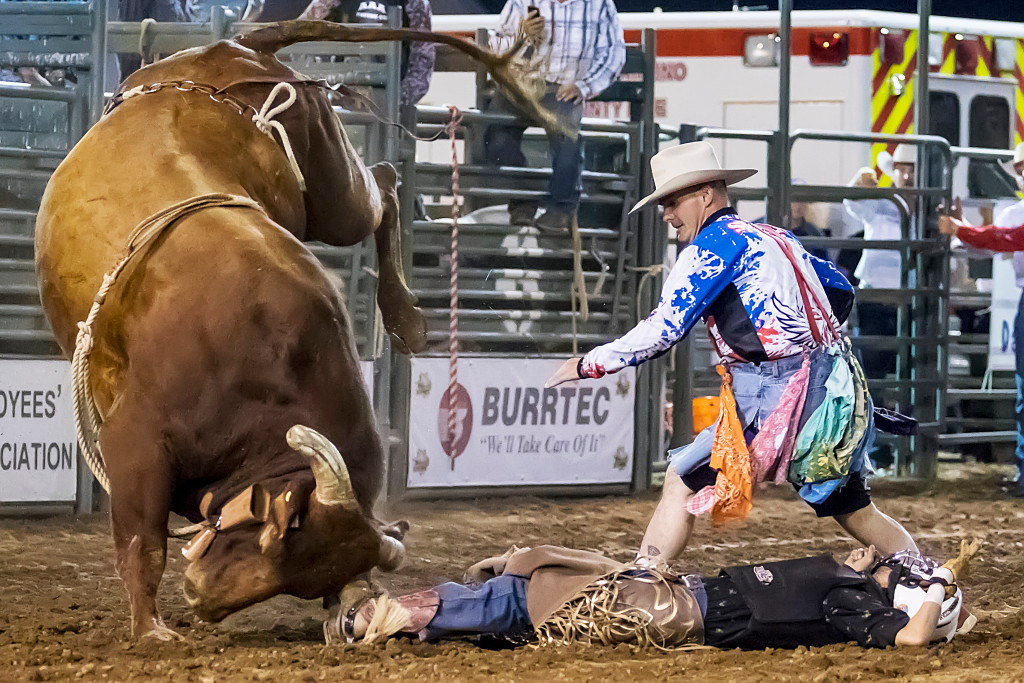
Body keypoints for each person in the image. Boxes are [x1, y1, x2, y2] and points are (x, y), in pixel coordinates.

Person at [545, 141, 917, 561]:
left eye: (672, 202)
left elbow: (665, 328)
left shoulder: (713, 246)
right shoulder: (776, 236)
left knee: (681, 478)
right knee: (855, 510)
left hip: (773, 394)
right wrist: (806, 338)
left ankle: (643, 580)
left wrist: (590, 363)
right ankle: (927, 577)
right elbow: (839, 286)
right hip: (829, 388)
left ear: (705, 195)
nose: (667, 214)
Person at [323, 542, 975, 649]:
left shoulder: (856, 605)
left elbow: (913, 636)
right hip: (680, 597)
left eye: (905, 573)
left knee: (528, 597)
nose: (894, 563)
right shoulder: (851, 586)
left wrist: (940, 585)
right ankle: (426, 619)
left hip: (678, 608)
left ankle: (385, 618)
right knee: (533, 592)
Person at [485, 0, 626, 231]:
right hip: (520, 85)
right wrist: (521, 35)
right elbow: (496, 48)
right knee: (494, 135)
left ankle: (561, 210)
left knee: (568, 140)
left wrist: (583, 86)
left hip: (564, 88)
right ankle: (523, 200)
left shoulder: (599, 4)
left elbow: (613, 53)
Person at [939, 141, 1024, 498]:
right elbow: (996, 242)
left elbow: (1005, 239)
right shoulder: (1014, 213)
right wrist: (963, 231)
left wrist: (961, 229)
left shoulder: (1015, 216)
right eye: (1021, 168)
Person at [296, 0, 435, 107]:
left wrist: (395, 103)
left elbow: (422, 62)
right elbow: (298, 38)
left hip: (388, 106)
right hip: (339, 101)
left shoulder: (413, 3)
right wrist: (323, 95)